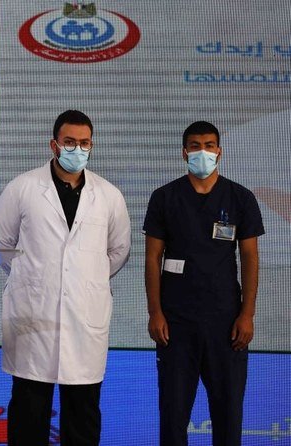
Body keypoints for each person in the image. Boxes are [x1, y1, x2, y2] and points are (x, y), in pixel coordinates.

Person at [0, 110, 131, 445]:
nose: (77, 149)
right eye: (70, 142)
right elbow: (1, 246)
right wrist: (39, 278)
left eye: (84, 143)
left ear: (92, 145)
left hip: (85, 317)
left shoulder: (109, 195)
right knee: (28, 413)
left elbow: (118, 251)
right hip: (33, 316)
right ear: (54, 144)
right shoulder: (23, 187)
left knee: (82, 415)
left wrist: (82, 280)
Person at [143, 121, 264, 446]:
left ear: (219, 152)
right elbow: (152, 258)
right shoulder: (164, 198)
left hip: (227, 325)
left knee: (228, 418)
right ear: (185, 152)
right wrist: (155, 312)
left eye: (209, 145)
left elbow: (250, 258)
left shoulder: (240, 198)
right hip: (175, 325)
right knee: (173, 418)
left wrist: (247, 315)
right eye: (195, 146)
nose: (203, 152)